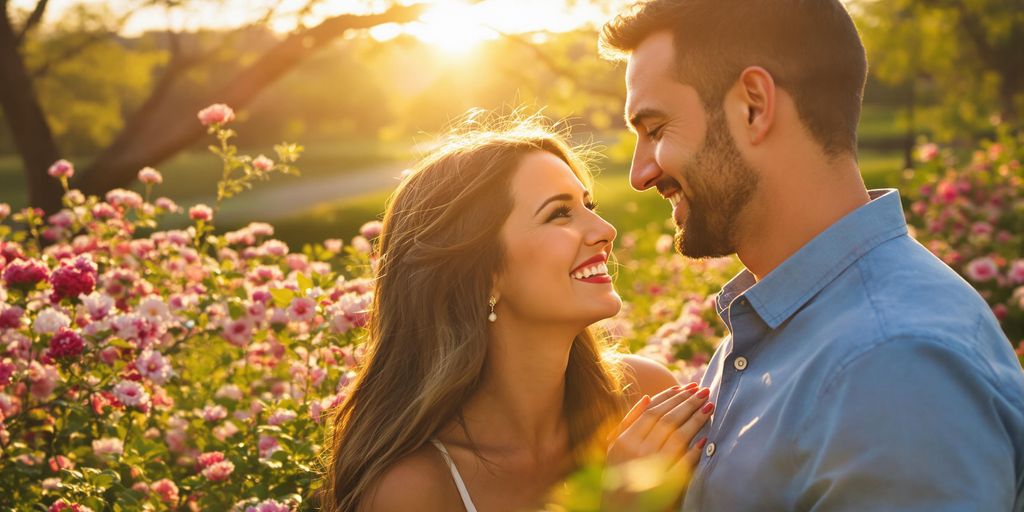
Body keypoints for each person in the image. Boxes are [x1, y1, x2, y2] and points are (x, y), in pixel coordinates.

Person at [600, 0, 1024, 510]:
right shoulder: (792, 322)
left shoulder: (890, 365)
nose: (640, 174)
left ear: (753, 105)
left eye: (655, 129)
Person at [320, 117, 713, 512]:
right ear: (482, 273)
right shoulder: (411, 490)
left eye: (587, 205)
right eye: (559, 213)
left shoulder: (643, 396)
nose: (605, 229)